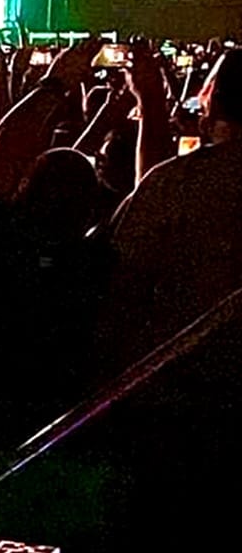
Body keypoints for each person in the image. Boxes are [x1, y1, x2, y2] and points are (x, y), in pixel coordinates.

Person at [97, 49, 242, 371]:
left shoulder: (182, 182)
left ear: (214, 101)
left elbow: (125, 277)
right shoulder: (175, 181)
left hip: (179, 372)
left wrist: (150, 102)